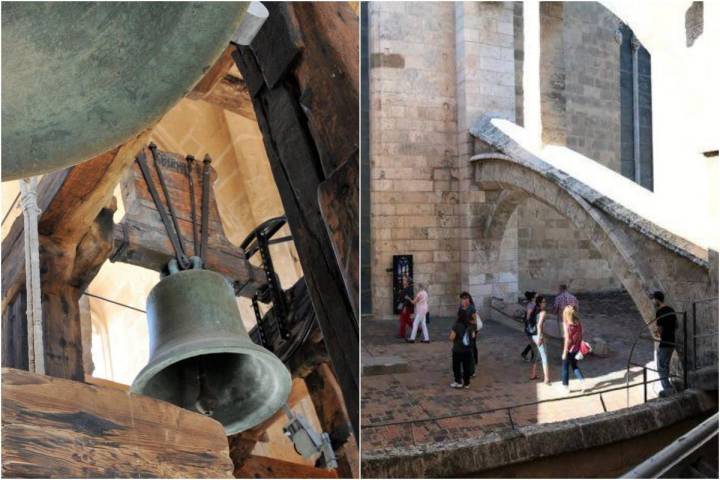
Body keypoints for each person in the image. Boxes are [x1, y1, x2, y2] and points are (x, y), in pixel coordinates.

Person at [652, 291, 677, 397]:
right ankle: (669, 387)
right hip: (672, 340)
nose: (653, 301)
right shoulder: (671, 310)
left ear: (657, 300)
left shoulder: (659, 312)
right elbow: (676, 325)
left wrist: (657, 333)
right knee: (665, 365)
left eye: (653, 299)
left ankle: (668, 389)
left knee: (661, 367)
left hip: (665, 342)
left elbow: (659, 329)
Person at [561, 305, 585, 394]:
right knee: (575, 366)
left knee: (565, 367)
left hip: (569, 350)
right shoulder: (578, 322)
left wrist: (564, 351)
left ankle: (565, 386)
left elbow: (568, 339)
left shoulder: (567, 325)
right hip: (576, 348)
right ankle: (582, 382)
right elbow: (581, 334)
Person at [449, 306, 475, 389]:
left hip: (458, 349)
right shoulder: (470, 325)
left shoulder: (456, 325)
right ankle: (467, 383)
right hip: (467, 349)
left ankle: (458, 381)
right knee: (466, 366)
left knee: (456, 366)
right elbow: (473, 336)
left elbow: (452, 337)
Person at [528, 295, 550, 384]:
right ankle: (546, 378)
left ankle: (533, 374)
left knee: (535, 355)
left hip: (532, 335)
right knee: (544, 357)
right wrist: (540, 337)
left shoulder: (534, 309)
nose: (545, 303)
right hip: (538, 335)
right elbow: (539, 325)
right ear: (540, 303)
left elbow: (529, 319)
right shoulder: (542, 312)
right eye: (544, 302)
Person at [458, 292, 481, 371]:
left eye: (465, 299)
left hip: (471, 329)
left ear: (468, 299)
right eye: (462, 299)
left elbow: (475, 321)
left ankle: (474, 362)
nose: (463, 301)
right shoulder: (461, 307)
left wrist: (468, 321)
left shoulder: (471, 308)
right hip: (463, 329)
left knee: (472, 345)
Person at [396, 274, 414, 339]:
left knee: (403, 320)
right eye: (403, 279)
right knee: (407, 320)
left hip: (406, 306)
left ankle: (402, 334)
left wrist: (405, 307)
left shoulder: (409, 289)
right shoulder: (404, 287)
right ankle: (418, 329)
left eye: (404, 280)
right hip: (403, 306)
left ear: (408, 281)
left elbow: (408, 298)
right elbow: (401, 297)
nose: (403, 281)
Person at [521, 291, 537, 362]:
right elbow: (528, 317)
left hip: (533, 325)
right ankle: (532, 358)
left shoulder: (534, 304)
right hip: (531, 326)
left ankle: (525, 354)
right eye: (536, 296)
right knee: (534, 342)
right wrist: (530, 326)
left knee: (533, 342)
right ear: (533, 298)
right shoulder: (531, 305)